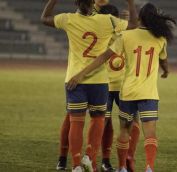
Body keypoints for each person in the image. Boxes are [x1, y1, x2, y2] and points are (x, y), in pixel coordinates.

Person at [66, 3, 174, 172]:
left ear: (140, 18)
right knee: (150, 133)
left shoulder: (126, 36)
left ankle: (122, 167)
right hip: (149, 92)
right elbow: (164, 61)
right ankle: (149, 167)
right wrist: (166, 71)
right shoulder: (160, 39)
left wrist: (81, 74)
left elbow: (104, 57)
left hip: (128, 92)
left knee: (124, 130)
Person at [41, 0, 138, 171]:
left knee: (76, 122)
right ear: (94, 2)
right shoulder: (107, 20)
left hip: (74, 80)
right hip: (100, 80)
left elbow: (44, 18)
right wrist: (130, 2)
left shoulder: (68, 19)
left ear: (75, 3)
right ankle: (89, 155)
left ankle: (76, 164)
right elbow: (133, 25)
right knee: (99, 119)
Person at [98, 4, 141, 172]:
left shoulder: (131, 34)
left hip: (126, 86)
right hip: (105, 85)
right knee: (105, 122)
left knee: (132, 121)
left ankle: (129, 157)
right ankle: (105, 160)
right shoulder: (100, 34)